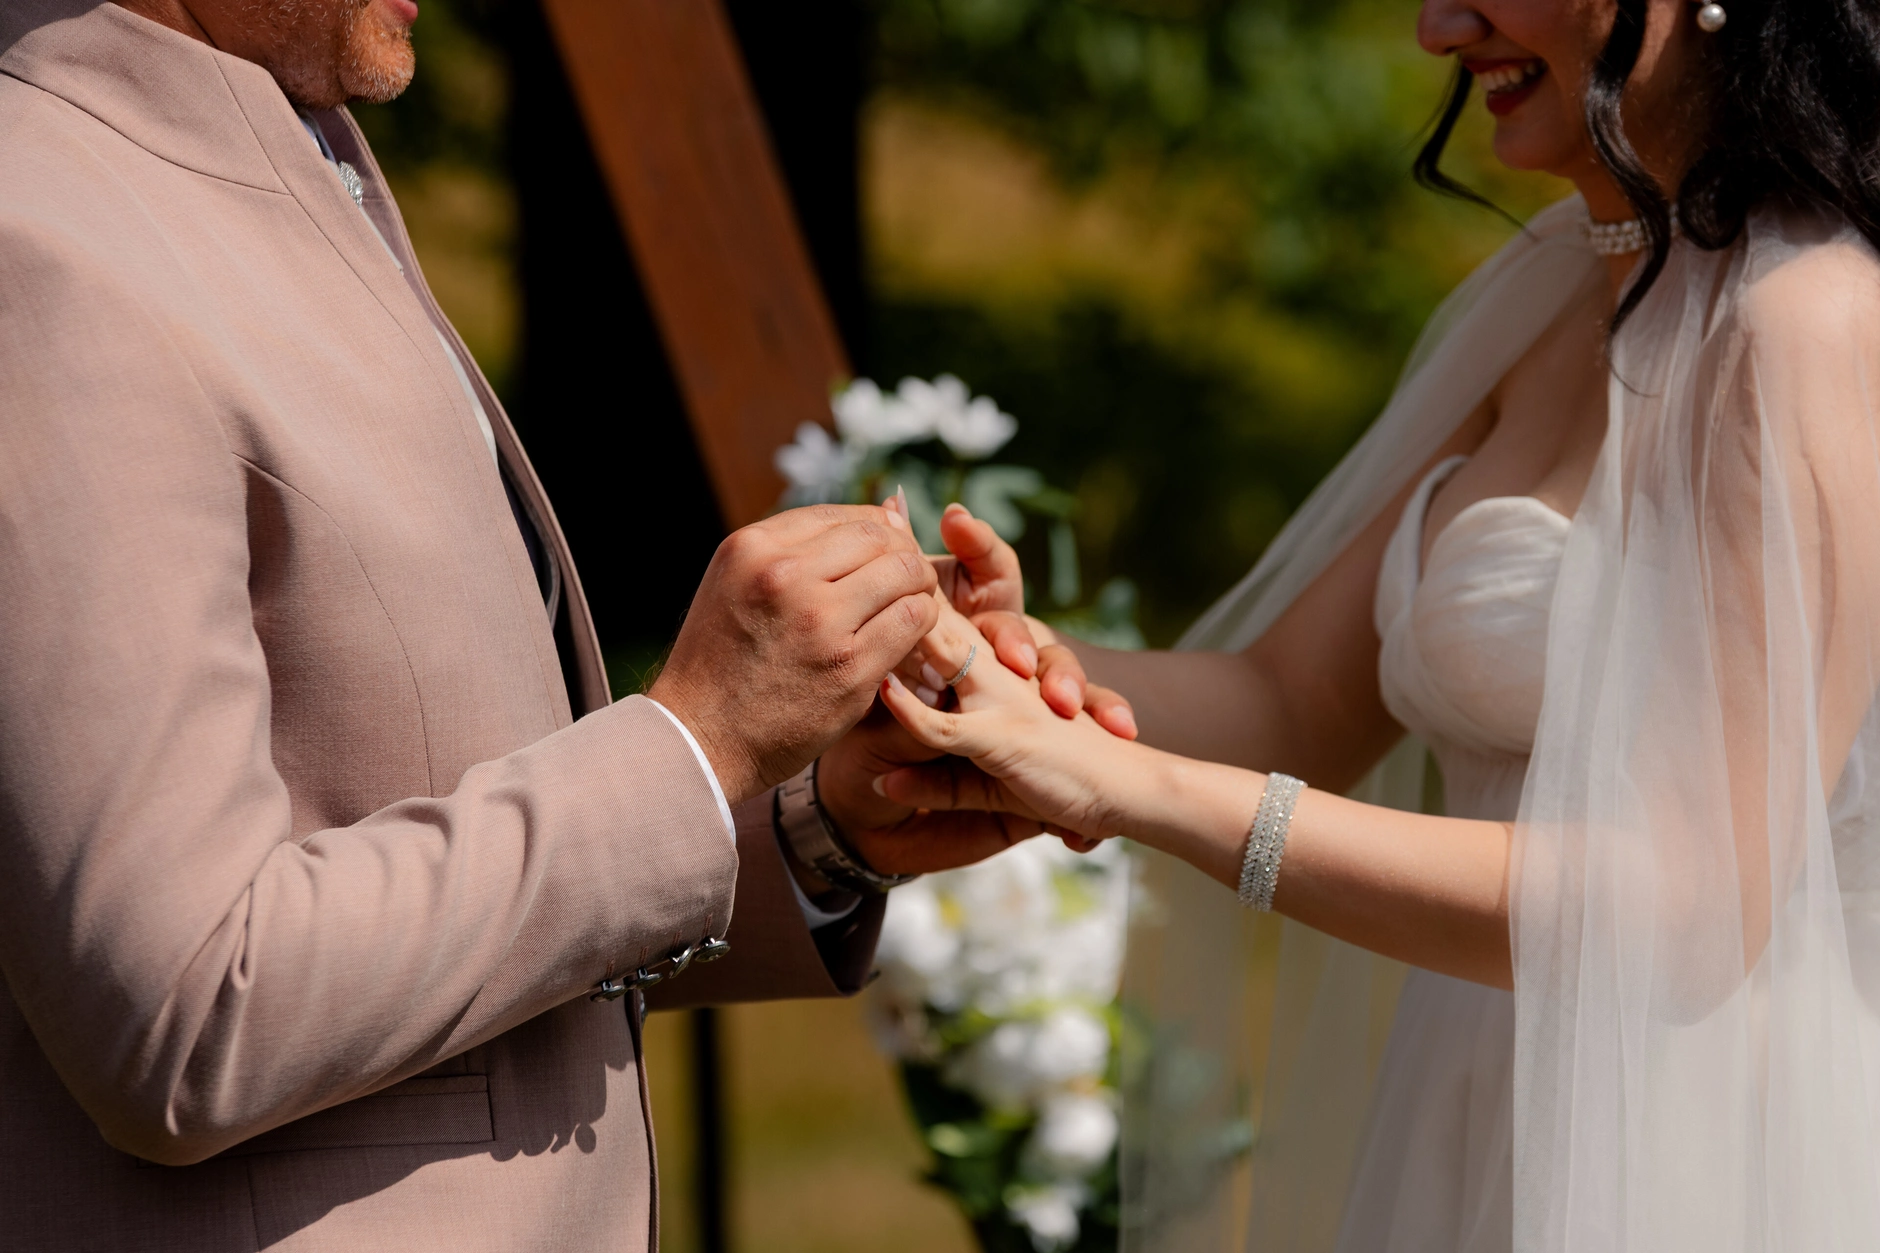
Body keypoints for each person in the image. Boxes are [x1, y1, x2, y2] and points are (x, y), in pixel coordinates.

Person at [0, 0, 1131, 1248]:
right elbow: (186, 1007)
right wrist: (686, 748)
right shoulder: (44, 247)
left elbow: (425, 872)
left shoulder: (276, 149)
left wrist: (820, 829)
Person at [880, 0, 1880, 1248]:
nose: (1436, 25)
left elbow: (1680, 905)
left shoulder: (1802, 322)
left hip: (1700, 1145)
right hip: (1462, 1127)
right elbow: (1285, 701)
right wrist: (989, 658)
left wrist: (1141, 793)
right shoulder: (1552, 286)